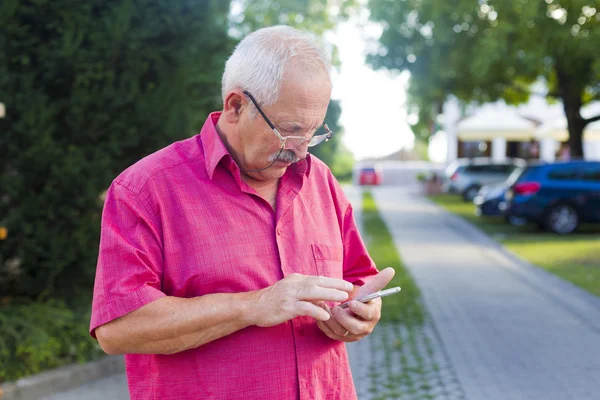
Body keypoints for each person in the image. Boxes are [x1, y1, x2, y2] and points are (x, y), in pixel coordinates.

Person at [90, 25, 394, 400]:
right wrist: (254, 305)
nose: (300, 151)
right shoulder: (145, 189)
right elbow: (117, 329)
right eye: (289, 131)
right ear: (236, 106)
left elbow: (356, 281)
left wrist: (362, 313)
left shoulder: (321, 181)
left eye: (314, 133)